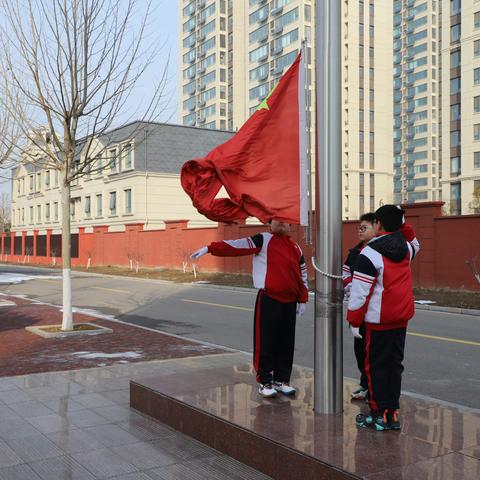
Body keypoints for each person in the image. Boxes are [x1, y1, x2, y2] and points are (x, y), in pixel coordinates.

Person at [191, 219, 309, 398]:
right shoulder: (263, 240)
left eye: (286, 221)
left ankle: (281, 380)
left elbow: (302, 274)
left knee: (286, 344)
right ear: (269, 224)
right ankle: (265, 382)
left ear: (291, 225)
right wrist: (210, 248)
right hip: (269, 299)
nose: (282, 224)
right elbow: (236, 246)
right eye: (277, 220)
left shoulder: (296, 248)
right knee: (266, 342)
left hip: (289, 302)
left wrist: (303, 298)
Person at [347, 205, 420, 431]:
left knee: (375, 368)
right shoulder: (407, 248)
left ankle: (377, 415)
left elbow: (360, 292)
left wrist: (354, 320)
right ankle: (392, 413)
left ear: (378, 224)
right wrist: (401, 223)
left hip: (378, 322)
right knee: (394, 366)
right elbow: (415, 241)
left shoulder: (369, 252)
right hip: (400, 320)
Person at [342, 212, 376, 401]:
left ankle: (374, 390)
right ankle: (365, 385)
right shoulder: (356, 252)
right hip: (358, 309)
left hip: (374, 310)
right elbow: (345, 270)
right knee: (359, 350)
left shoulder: (379, 251)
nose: (360, 231)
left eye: (365, 227)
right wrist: (348, 283)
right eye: (359, 228)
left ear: (376, 228)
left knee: (373, 353)